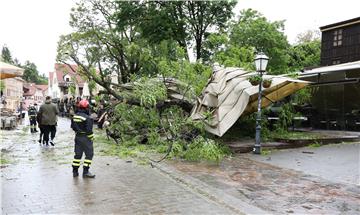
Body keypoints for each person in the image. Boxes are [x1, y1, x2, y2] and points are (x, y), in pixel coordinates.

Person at [71, 99, 95, 178]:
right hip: (86, 138)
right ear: (86, 108)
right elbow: (89, 131)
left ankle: (75, 172)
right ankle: (85, 172)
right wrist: (92, 138)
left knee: (77, 155)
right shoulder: (87, 118)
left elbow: (73, 127)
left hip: (77, 137)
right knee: (89, 155)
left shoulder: (75, 116)